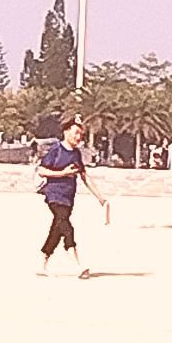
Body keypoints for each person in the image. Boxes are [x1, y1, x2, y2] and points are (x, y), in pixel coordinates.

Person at [37, 116, 105, 276]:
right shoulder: (56, 150)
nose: (78, 137)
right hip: (54, 194)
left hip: (68, 197)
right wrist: (63, 173)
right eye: (76, 133)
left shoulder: (76, 154)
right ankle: (77, 265)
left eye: (80, 134)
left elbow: (84, 176)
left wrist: (100, 197)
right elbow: (41, 170)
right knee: (67, 228)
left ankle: (42, 262)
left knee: (57, 229)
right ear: (66, 132)